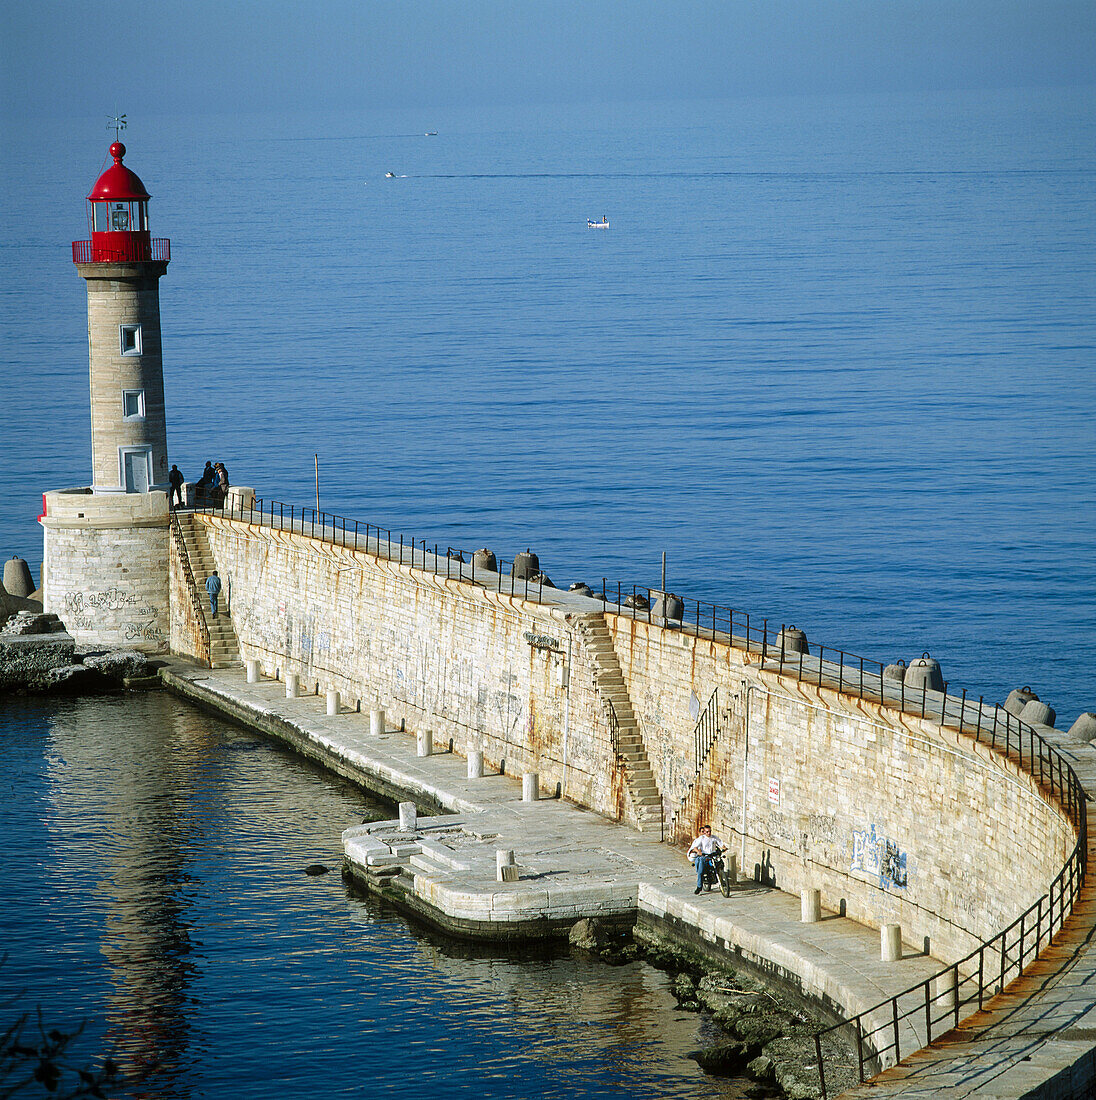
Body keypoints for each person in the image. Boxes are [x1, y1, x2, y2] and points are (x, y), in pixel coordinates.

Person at [687, 823, 726, 894]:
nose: (709, 833)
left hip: (713, 856)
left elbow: (720, 843)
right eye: (707, 832)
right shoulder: (701, 839)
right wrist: (698, 852)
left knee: (720, 865)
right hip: (705, 856)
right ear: (704, 832)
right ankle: (699, 887)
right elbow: (695, 847)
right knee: (700, 871)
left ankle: (722, 880)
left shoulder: (714, 838)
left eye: (710, 831)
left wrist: (724, 847)